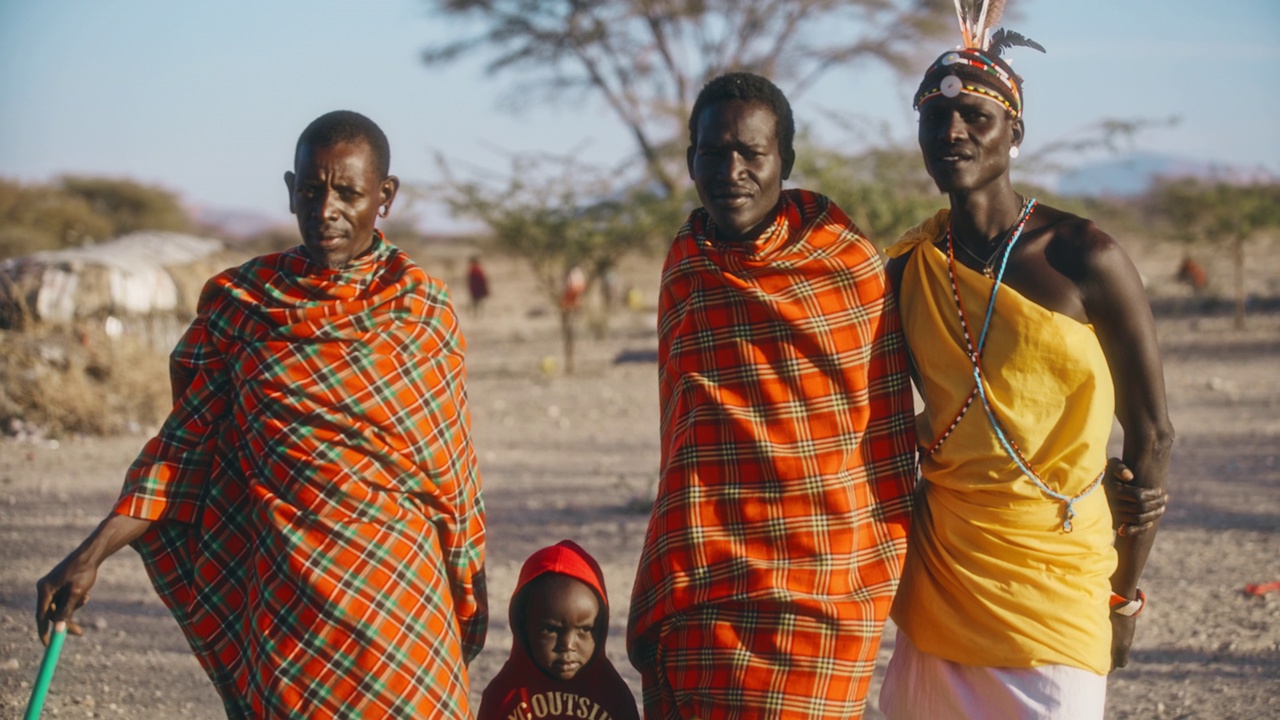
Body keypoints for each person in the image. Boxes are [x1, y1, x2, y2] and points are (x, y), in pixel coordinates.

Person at [35, 110, 487, 719]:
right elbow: (182, 450)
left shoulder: (420, 311)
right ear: (290, 188)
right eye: (309, 190)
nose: (325, 209)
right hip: (287, 603)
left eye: (348, 192)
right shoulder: (244, 305)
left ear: (386, 197)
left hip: (400, 607)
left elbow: (451, 471)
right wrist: (90, 553)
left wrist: (469, 582)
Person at [877, 8, 1175, 718]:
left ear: (1015, 132)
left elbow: (1153, 435)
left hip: (1062, 579)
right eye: (935, 118)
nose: (952, 132)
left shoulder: (1085, 257)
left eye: (976, 117)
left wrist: (1123, 598)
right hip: (947, 578)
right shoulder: (907, 270)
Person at [627, 72, 919, 719]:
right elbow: (684, 439)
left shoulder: (845, 265)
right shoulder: (688, 263)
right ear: (690, 160)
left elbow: (882, 431)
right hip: (705, 582)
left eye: (752, 154)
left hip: (823, 590)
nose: (732, 170)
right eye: (713, 153)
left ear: (784, 160)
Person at [479, 540, 639, 720]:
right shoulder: (503, 693)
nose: (567, 645)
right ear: (523, 626)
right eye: (550, 629)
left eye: (585, 629)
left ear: (601, 628)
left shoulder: (613, 695)